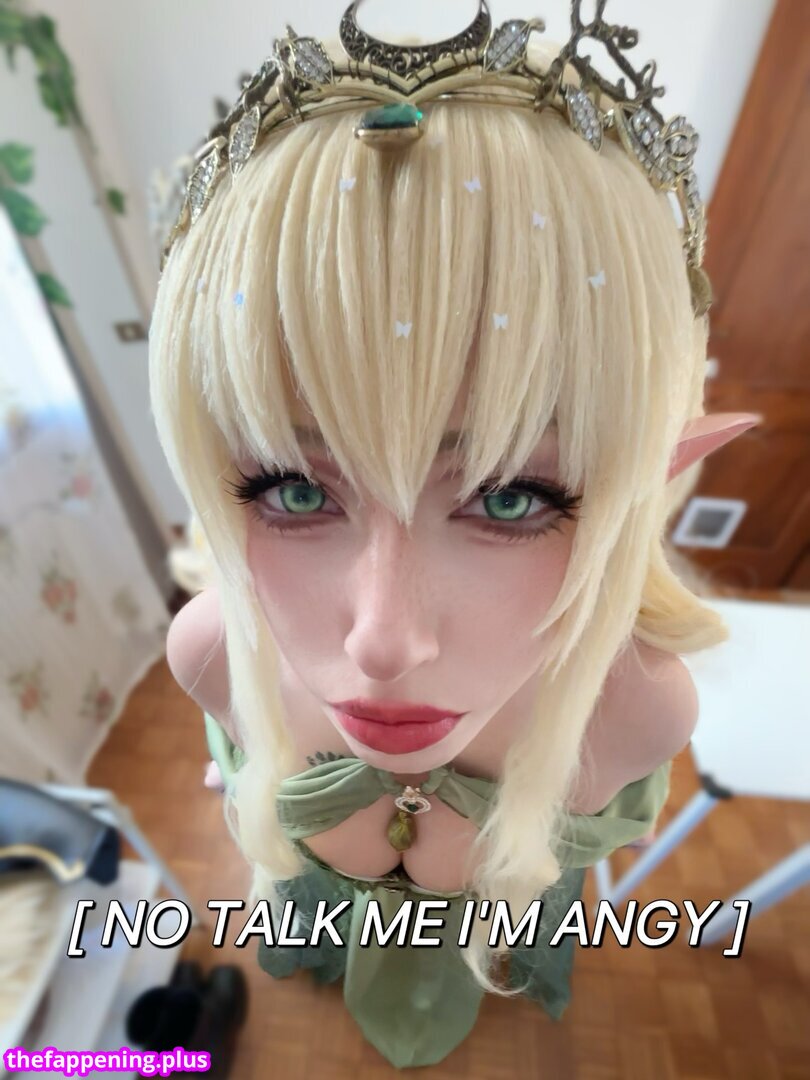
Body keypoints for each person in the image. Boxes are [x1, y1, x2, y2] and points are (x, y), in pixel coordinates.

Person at [149, 2, 758, 1067]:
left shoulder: (633, 712)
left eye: (513, 497)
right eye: (292, 489)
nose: (384, 643)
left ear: (640, 480)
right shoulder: (211, 654)